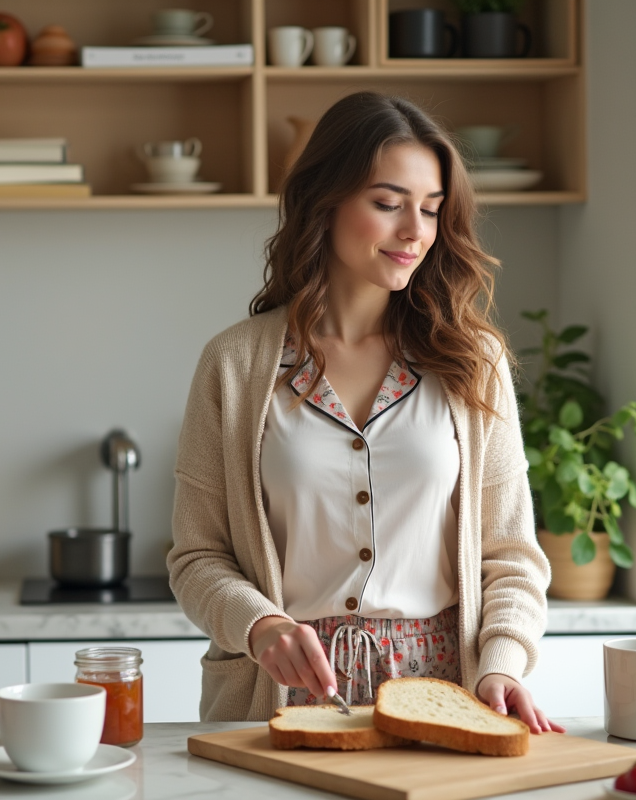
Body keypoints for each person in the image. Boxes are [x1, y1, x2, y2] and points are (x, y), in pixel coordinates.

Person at [167, 91, 563, 735]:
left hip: (445, 694)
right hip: (279, 699)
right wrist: (260, 625)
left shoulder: (472, 361)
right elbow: (197, 556)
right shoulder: (234, 365)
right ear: (325, 203)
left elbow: (511, 553)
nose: (415, 232)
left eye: (432, 211)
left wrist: (502, 664)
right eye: (388, 204)